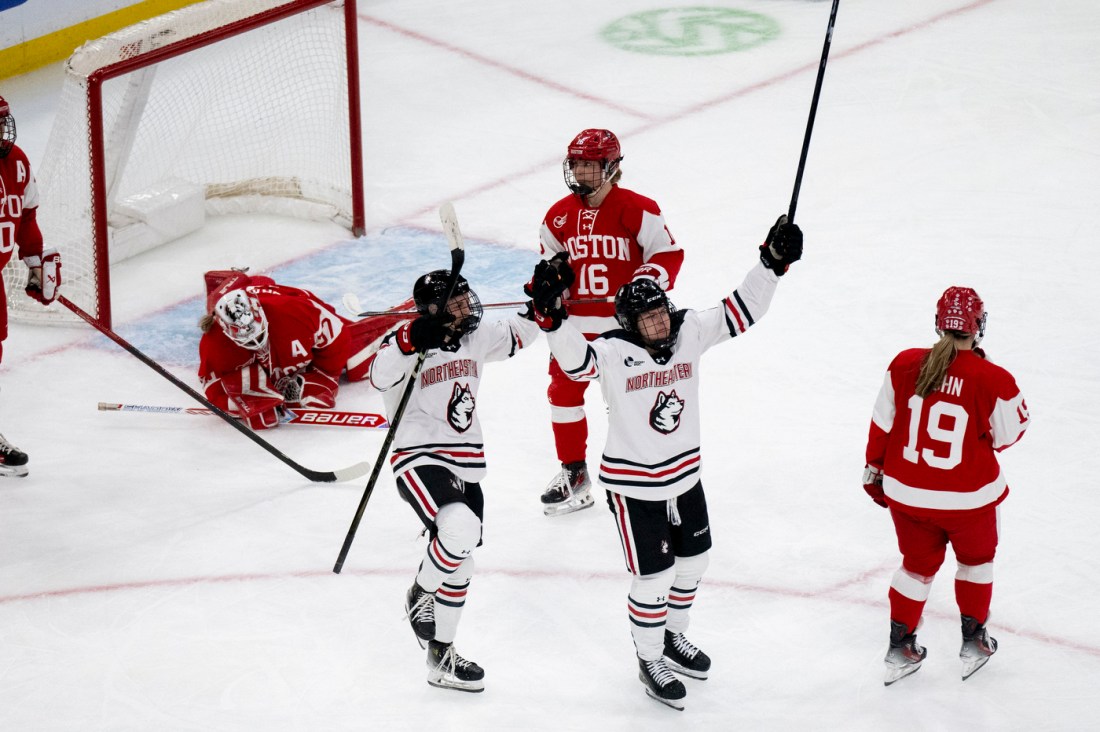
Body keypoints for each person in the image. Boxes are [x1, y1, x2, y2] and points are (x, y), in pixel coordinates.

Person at [526, 216, 803, 709]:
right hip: (634, 489)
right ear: (629, 325)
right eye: (647, 319)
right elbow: (574, 363)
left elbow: (743, 308)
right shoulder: (612, 351)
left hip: (685, 477)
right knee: (653, 577)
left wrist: (771, 264)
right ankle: (649, 658)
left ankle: (673, 636)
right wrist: (553, 320)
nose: (658, 323)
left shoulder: (689, 330)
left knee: (695, 562)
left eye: (661, 312)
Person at [369, 268, 540, 693]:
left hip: (467, 461)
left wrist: (543, 300)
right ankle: (419, 593)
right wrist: (413, 339)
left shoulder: (475, 338)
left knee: (462, 559)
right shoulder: (406, 341)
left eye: (467, 298)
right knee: (460, 528)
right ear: (432, 311)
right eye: (456, 303)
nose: (468, 308)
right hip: (418, 455)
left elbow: (521, 333)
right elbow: (378, 375)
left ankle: (440, 656)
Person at [863, 286, 1029, 686]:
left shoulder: (904, 363)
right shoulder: (994, 379)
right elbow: (1007, 435)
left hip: (906, 493)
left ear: (939, 324)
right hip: (968, 500)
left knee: (915, 569)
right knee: (976, 563)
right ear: (978, 326)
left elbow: (882, 425)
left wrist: (874, 470)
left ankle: (899, 648)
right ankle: (973, 642)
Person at [533, 128, 684, 516]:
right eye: (577, 164)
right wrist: (549, 285)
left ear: (612, 167)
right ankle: (575, 474)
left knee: (633, 404)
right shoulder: (557, 217)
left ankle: (654, 475)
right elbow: (552, 268)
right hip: (575, 331)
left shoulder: (637, 208)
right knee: (563, 397)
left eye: (590, 164)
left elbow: (668, 254)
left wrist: (643, 283)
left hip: (625, 330)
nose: (581, 172)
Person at [198, 269, 390, 429]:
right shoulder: (214, 339)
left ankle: (241, 280)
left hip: (283, 296)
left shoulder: (295, 310)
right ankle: (233, 283)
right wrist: (244, 404)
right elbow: (212, 386)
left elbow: (337, 335)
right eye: (246, 339)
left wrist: (325, 376)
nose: (256, 342)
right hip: (250, 303)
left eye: (257, 334)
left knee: (358, 359)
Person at [0, 94, 62, 478]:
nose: (3, 130)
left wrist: (36, 264)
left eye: (3, 121)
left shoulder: (16, 162)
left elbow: (26, 218)